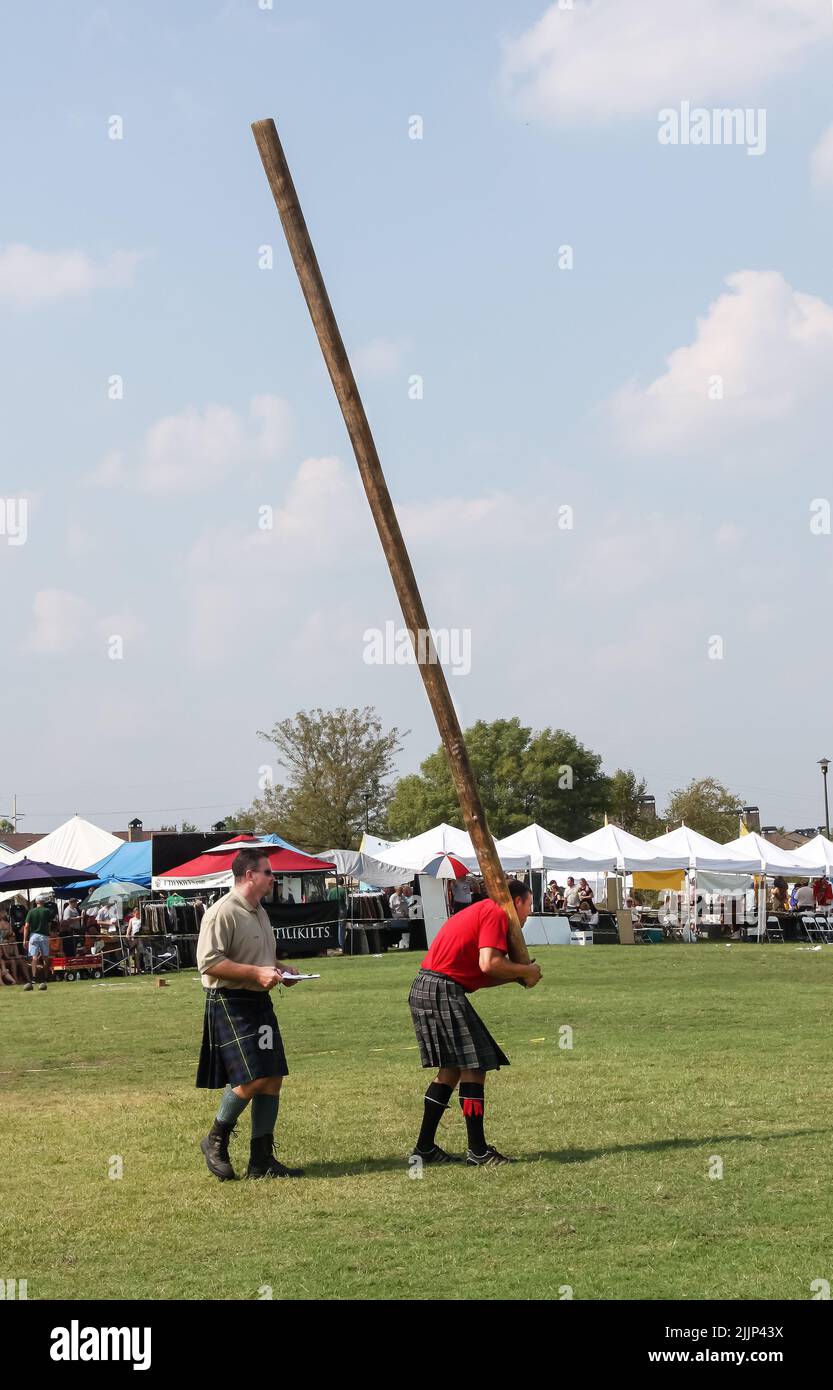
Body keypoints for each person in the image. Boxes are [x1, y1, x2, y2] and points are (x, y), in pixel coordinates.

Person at [407, 880, 542, 1167]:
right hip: (441, 989)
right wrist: (526, 969)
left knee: (453, 1069)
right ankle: (478, 1151)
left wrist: (518, 975)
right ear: (516, 902)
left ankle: (425, 1148)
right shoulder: (495, 912)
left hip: (431, 986)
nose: (529, 913)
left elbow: (482, 975)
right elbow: (489, 964)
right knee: (475, 1065)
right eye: (529, 905)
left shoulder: (483, 911)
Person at [196, 849, 303, 1182]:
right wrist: (256, 973)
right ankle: (215, 1138)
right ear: (249, 875)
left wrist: (282, 970)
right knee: (252, 1077)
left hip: (258, 1002)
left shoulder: (260, 912)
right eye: (269, 872)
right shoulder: (222, 912)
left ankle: (261, 1160)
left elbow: (263, 957)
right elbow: (209, 963)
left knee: (272, 1076)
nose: (274, 878)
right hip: (231, 999)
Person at [23, 898, 54, 988]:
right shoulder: (46, 911)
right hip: (44, 935)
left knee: (34, 957)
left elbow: (26, 926)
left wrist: (24, 939)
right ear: (43, 902)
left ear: (36, 902)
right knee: (45, 957)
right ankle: (45, 977)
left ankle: (33, 977)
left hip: (34, 936)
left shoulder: (31, 912)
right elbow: (49, 924)